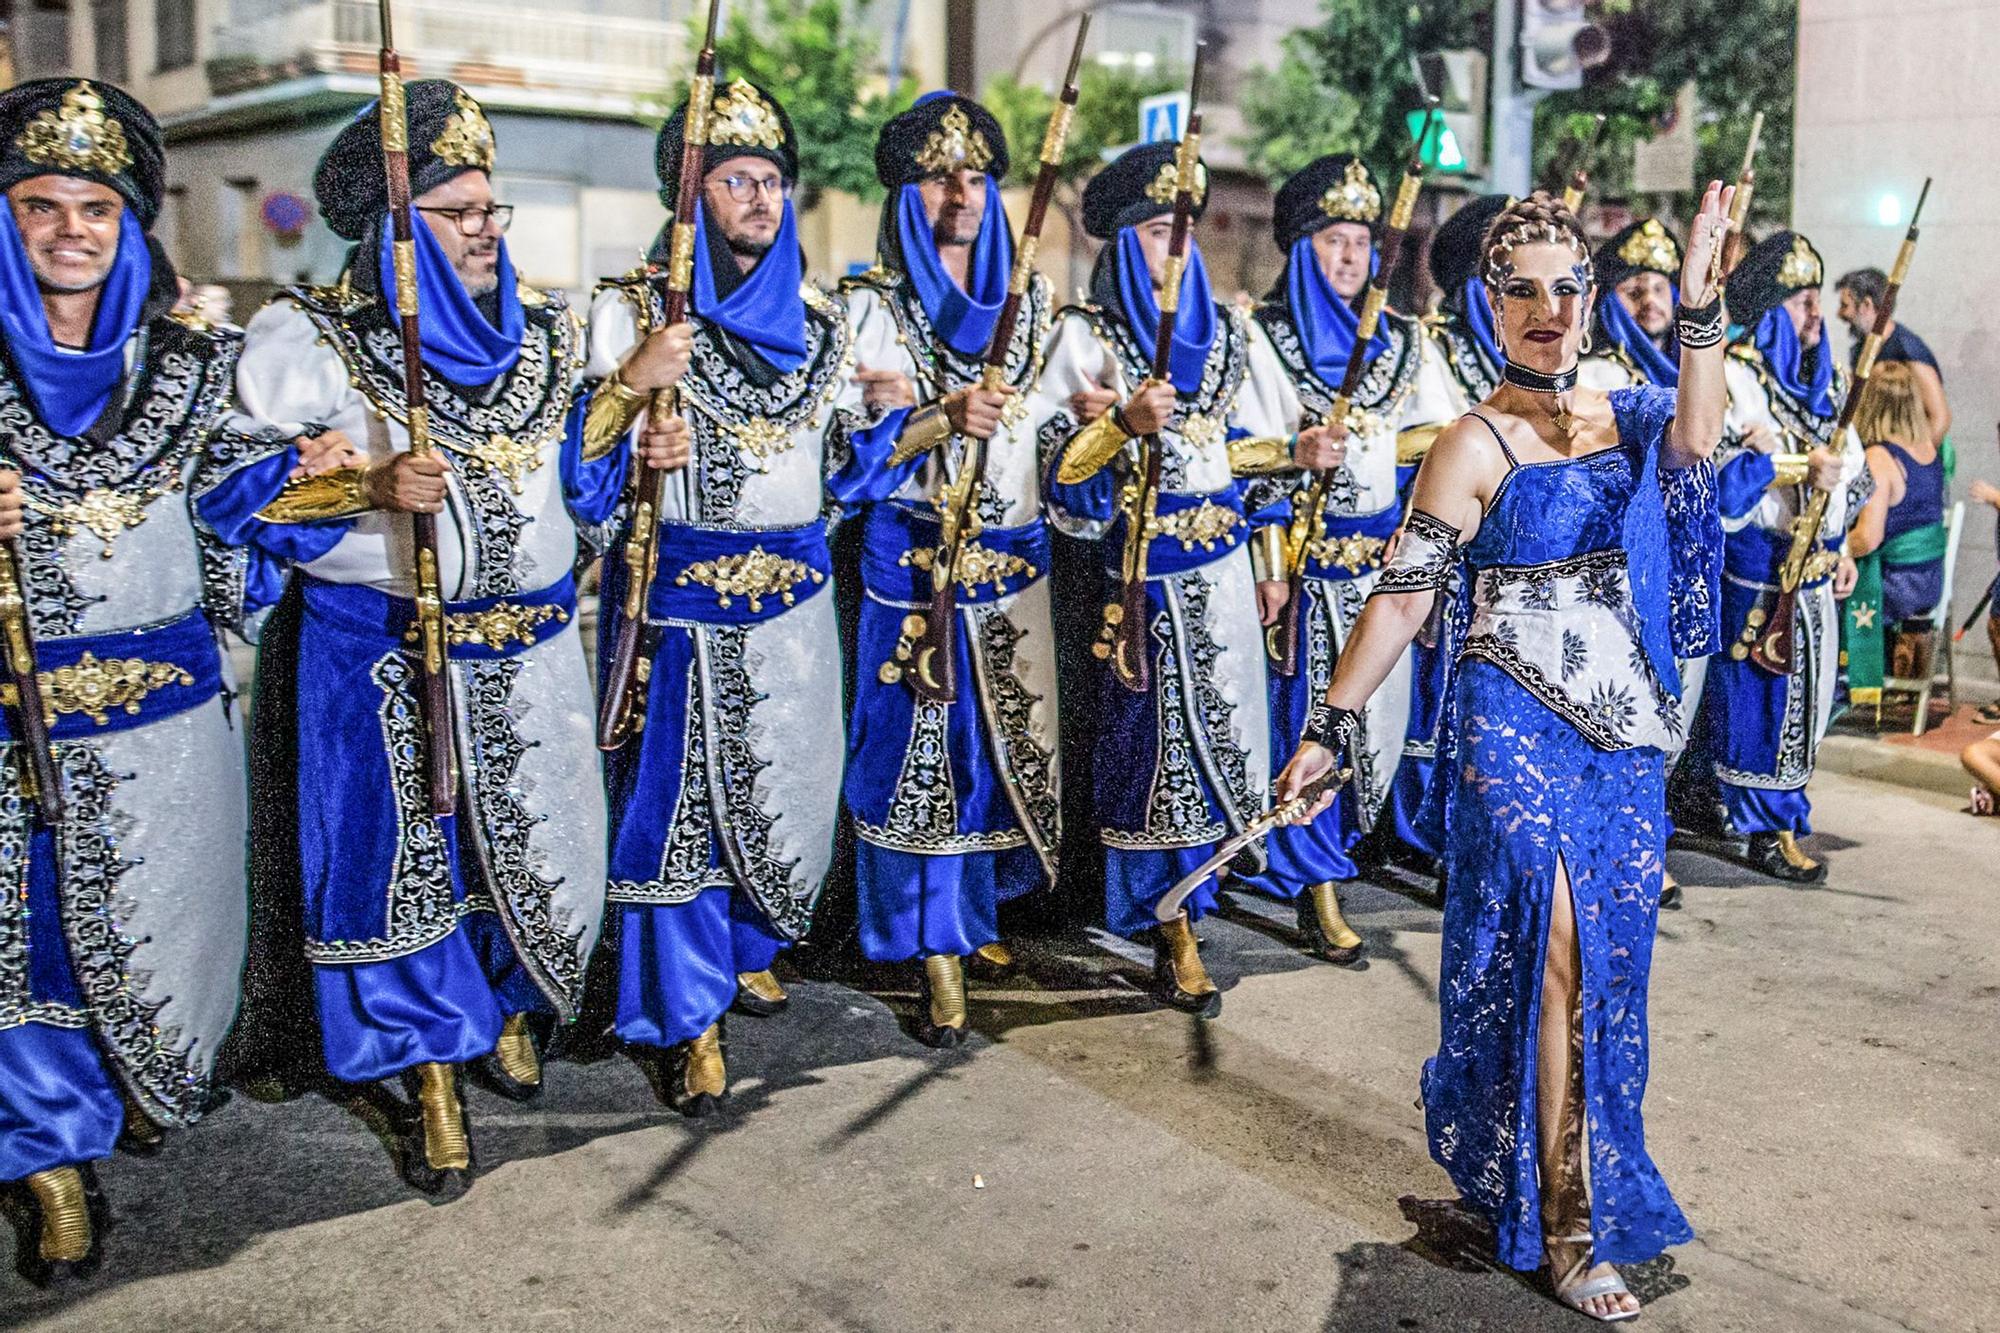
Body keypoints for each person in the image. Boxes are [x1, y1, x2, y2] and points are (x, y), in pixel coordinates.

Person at [1276, 185, 1731, 1321]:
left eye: (1565, 289)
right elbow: (1398, 598)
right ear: (1489, 303)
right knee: (1552, 947)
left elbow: (1699, 438)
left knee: (1602, 973)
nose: (1548, 309)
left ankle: (1533, 1179)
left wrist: (1703, 306)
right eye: (1521, 289)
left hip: (1621, 732)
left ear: (1586, 303)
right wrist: (1330, 725)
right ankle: (1569, 1232)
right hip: (1509, 724)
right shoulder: (1467, 444)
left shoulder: (1627, 412)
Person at [226, 82, 629, 1195]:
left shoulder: (543, 338)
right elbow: (237, 494)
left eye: (490, 208)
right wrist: (363, 485)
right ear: (396, 230)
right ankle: (426, 1067)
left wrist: (634, 418)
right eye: (457, 212)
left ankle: (497, 1006)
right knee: (398, 869)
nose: (487, 228)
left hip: (533, 656)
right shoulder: (306, 340)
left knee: (523, 856)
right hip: (377, 659)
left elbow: (580, 493)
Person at [587, 80, 918, 1109]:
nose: (760, 198)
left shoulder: (822, 330)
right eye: (735, 180)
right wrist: (635, 405)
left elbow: (840, 474)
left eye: (772, 180)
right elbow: (575, 475)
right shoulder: (631, 312)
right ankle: (682, 1016)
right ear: (690, 200)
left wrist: (906, 422)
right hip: (681, 606)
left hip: (796, 613)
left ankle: (739, 946)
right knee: (674, 810)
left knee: (783, 788)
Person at [0, 77, 264, 1280]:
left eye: (95, 209)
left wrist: (355, 484)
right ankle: (46, 1157)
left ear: (127, 226)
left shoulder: (193, 370)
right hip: (20, 733)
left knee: (160, 927)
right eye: (41, 205)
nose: (70, 231)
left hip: (171, 729)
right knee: (27, 946)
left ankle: (129, 1089)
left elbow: (258, 498)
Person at [1032, 139, 1279, 1017]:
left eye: (1185, 230)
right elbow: (1057, 470)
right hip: (1145, 582)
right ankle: (1164, 921)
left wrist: (1273, 558)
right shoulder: (1083, 336)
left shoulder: (1231, 334)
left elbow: (1247, 456)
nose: (1176, 249)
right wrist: (1121, 427)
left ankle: (1203, 892)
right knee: (1158, 755)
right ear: (1122, 242)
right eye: (1154, 232)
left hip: (1223, 574)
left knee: (1228, 738)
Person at [840, 93, 1060, 1043]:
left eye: (975, 175)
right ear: (904, 197)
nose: (961, 191)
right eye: (937, 174)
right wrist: (927, 418)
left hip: (1014, 555)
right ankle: (923, 934)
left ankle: (972, 913)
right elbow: (843, 459)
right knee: (918, 750)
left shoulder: (1038, 303)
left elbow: (1054, 441)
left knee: (998, 748)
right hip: (917, 556)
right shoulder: (867, 309)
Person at [1231, 153, 1458, 963]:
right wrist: (1271, 554)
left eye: (1361, 241)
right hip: (1304, 573)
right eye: (1333, 239)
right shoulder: (1263, 338)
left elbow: (1440, 436)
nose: (1350, 257)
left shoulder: (1400, 341)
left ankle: (1338, 857)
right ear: (1300, 246)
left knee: (1375, 728)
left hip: (1380, 566)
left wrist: (1415, 506)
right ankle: (1311, 881)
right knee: (1310, 726)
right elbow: (1242, 454)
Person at [1700, 231, 1868, 883]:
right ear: (1769, 308)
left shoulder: (1831, 386)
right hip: (1762, 572)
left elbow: (1853, 474)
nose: (1813, 313)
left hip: (1819, 576)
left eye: (1815, 299)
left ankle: (1783, 812)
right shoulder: (1737, 377)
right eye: (1798, 300)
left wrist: (1845, 540)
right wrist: (1784, 463)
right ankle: (1765, 823)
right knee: (1761, 704)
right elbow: (1715, 477)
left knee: (1808, 707)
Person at [1375, 191, 1514, 873]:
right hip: (1453, 555)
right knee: (1440, 697)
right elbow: (1417, 453)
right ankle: (1432, 834)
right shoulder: (1432, 351)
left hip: (1516, 564)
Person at [1845, 362, 1946, 694]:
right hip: (1929, 579)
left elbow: (1867, 538)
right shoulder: (1929, 450)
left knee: (1818, 585)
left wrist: (1829, 550)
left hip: (1895, 586)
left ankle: (1833, 681)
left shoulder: (1879, 459)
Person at [1836, 267, 1950, 445]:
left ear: (1866, 305)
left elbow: (1940, 418)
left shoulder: (1907, 350)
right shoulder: (1861, 350)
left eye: (1845, 306)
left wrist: (1914, 461)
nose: (1840, 314)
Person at [1580, 217, 1680, 391]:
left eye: (1659, 289)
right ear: (1610, 306)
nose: (1650, 300)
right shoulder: (1594, 378)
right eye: (1634, 292)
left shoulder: (1698, 372)